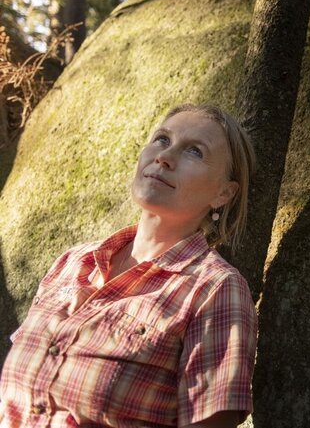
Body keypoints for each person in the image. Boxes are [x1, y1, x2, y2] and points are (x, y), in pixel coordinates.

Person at [0, 103, 258, 428]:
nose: (164, 157)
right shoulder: (72, 262)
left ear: (223, 193)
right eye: (162, 140)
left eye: (194, 151)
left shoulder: (216, 289)